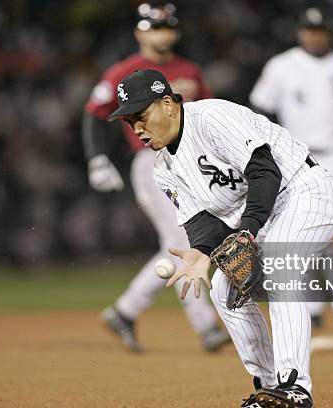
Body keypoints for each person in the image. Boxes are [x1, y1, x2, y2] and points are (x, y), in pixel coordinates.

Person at [108, 69, 333, 407]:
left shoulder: (212, 117)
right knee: (224, 290)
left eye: (141, 116)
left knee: (278, 270)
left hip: (304, 192)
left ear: (168, 104)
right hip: (264, 218)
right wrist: (202, 253)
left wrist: (247, 232)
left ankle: (295, 388)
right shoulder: (164, 169)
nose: (137, 129)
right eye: (130, 123)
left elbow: (264, 170)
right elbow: (202, 224)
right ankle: (269, 390)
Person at [82, 2, 230, 352]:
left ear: (175, 32)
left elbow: (206, 113)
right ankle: (206, 326)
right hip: (152, 163)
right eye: (153, 27)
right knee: (186, 239)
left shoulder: (189, 70)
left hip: (190, 162)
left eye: (166, 27)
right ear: (139, 32)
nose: (161, 33)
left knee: (179, 242)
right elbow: (93, 112)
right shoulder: (127, 70)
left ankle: (124, 311)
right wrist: (96, 157)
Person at [249, 6, 333, 329]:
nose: (314, 36)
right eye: (309, 30)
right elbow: (260, 110)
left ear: (329, 34)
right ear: (300, 32)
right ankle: (315, 307)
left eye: (320, 31)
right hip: (295, 157)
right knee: (300, 228)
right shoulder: (281, 66)